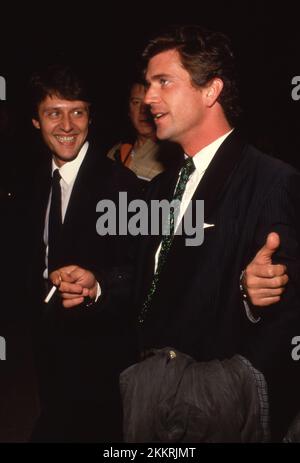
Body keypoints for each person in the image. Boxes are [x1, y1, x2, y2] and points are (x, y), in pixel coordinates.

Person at [118, 25, 300, 442]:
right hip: (148, 388)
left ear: (210, 91)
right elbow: (144, 278)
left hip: (215, 402)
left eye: (164, 82)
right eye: (148, 84)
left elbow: (288, 306)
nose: (148, 98)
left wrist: (253, 296)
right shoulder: (162, 187)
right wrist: (96, 286)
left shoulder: (272, 180)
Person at [26, 64, 138, 442]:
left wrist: (100, 286)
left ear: (91, 116)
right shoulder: (31, 183)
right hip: (47, 347)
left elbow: (141, 272)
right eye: (53, 112)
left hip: (101, 357)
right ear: (35, 121)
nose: (67, 125)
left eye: (78, 111)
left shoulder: (122, 187)